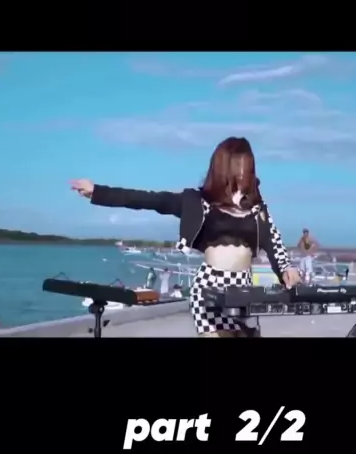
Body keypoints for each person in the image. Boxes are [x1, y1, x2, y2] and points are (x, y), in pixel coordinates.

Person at [71, 137, 300, 337]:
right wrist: (98, 192)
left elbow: (275, 243)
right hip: (210, 289)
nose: (243, 171)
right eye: (239, 164)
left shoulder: (257, 209)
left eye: (247, 165)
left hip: (244, 289)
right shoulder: (198, 202)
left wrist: (286, 269)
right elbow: (149, 199)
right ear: (224, 166)